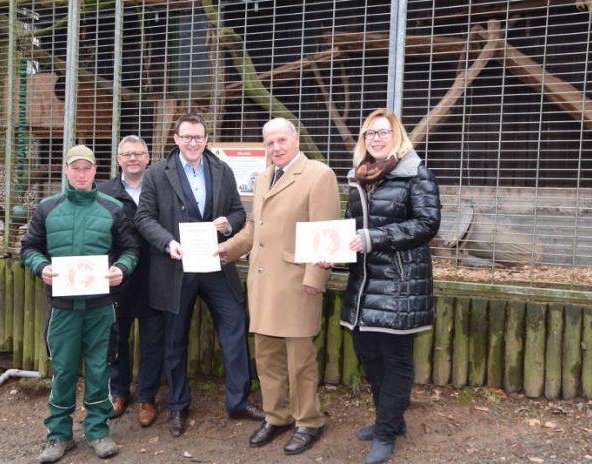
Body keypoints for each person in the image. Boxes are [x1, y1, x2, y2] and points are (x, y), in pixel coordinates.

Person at [134, 113, 264, 438]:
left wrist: (228, 224)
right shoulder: (156, 174)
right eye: (187, 137)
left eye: (199, 137)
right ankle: (178, 404)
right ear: (175, 139)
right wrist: (167, 243)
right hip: (176, 266)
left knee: (235, 324)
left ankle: (237, 400)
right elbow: (144, 217)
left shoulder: (221, 170)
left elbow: (238, 211)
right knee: (174, 338)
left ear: (207, 139)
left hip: (216, 263)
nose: (193, 143)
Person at [217, 117, 340, 455]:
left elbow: (325, 231)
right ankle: (277, 415)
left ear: (296, 139)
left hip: (297, 283)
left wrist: (316, 278)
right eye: (269, 143)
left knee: (300, 359)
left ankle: (309, 421)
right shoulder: (264, 178)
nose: (275, 148)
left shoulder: (319, 175)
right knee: (267, 356)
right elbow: (255, 228)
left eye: (281, 141)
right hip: (263, 282)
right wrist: (224, 250)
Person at [333, 108, 440, 464]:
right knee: (368, 354)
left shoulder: (416, 174)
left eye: (383, 132)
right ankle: (390, 420)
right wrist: (331, 254)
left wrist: (375, 238)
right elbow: (352, 231)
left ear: (398, 136)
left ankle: (384, 433)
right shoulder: (360, 178)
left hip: (400, 284)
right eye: (370, 134)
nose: (376, 139)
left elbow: (427, 224)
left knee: (396, 360)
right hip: (364, 284)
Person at [21, 145, 140, 463]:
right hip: (62, 306)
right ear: (66, 170)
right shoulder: (47, 208)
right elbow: (29, 247)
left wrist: (122, 269)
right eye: (76, 168)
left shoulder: (113, 208)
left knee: (100, 369)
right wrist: (40, 267)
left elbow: (131, 249)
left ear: (95, 170)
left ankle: (97, 431)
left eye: (87, 168)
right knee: (62, 371)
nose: (82, 173)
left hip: (101, 306)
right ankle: (58, 436)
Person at [98, 135, 164, 428]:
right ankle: (119, 392)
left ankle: (147, 397)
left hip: (154, 274)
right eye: (127, 154)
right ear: (118, 159)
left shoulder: (161, 188)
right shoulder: (104, 192)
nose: (133, 158)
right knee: (117, 338)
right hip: (117, 276)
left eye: (139, 153)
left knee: (153, 341)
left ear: (148, 158)